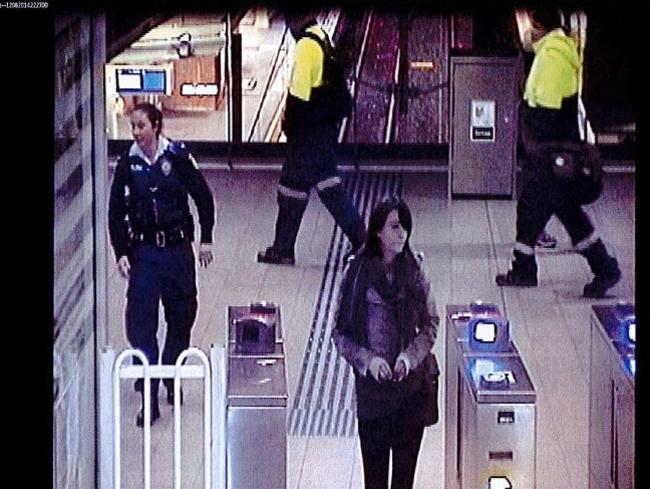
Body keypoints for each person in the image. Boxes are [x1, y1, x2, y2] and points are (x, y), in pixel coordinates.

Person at [496, 8, 620, 298]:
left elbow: (547, 111)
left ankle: (528, 269)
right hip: (552, 155)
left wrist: (528, 122)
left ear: (540, 27)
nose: (526, 31)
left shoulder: (553, 56)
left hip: (551, 154)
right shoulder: (553, 51)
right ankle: (603, 268)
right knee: (563, 212)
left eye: (529, 25)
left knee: (533, 207)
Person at [108, 102, 215, 426]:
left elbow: (203, 197)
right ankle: (150, 395)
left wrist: (205, 239)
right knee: (141, 323)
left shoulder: (178, 158)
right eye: (133, 128)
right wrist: (122, 251)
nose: (137, 134)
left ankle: (170, 370)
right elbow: (115, 211)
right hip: (145, 253)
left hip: (177, 250)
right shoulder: (128, 162)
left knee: (182, 316)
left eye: (141, 126)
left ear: (156, 125)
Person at [332, 197, 439, 489]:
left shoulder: (415, 271)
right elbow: (341, 333)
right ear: (378, 231)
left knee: (404, 481)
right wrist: (368, 361)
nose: (401, 233)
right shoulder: (356, 274)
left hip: (410, 392)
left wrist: (408, 358)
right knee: (375, 480)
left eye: (405, 226)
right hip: (373, 395)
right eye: (394, 226)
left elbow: (431, 324)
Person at [257, 10, 366, 265]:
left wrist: (290, 128)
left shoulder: (307, 45)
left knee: (307, 189)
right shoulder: (321, 36)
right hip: (322, 129)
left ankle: (360, 241)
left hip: (308, 134)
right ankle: (284, 248)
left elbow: (299, 96)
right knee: (308, 187)